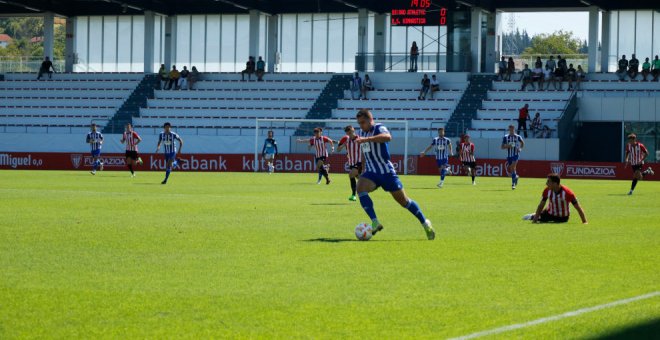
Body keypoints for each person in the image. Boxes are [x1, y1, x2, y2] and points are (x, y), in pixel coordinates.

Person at [354, 109, 435, 240]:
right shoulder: (362, 133)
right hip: (371, 172)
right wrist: (362, 169)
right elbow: (365, 152)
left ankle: (425, 223)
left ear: (370, 120)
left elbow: (388, 137)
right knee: (360, 188)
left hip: (386, 172)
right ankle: (375, 222)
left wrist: (367, 139)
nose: (361, 125)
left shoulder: (379, 127)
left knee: (404, 202)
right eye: (359, 123)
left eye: (363, 122)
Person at [522, 173, 588, 224]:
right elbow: (541, 205)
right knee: (533, 218)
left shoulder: (568, 193)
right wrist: (534, 220)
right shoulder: (547, 190)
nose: (546, 183)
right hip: (549, 213)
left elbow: (578, 208)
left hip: (563, 218)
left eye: (548, 181)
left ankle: (536, 215)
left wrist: (585, 222)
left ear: (555, 183)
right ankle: (532, 215)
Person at [337, 125, 363, 201]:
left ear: (353, 129)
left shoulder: (359, 139)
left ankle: (353, 195)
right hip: (351, 163)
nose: (348, 131)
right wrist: (343, 145)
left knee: (351, 174)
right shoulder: (346, 140)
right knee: (360, 179)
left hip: (359, 162)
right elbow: (338, 150)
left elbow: (367, 149)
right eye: (347, 130)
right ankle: (368, 186)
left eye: (349, 129)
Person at [501, 125, 525, 190]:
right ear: (509, 129)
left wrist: (520, 149)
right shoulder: (506, 137)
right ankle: (516, 177)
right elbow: (502, 147)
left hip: (516, 155)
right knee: (513, 169)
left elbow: (522, 143)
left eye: (512, 129)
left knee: (512, 167)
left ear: (514, 129)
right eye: (510, 129)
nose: (511, 130)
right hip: (509, 156)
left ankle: (513, 184)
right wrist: (508, 146)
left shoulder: (518, 137)